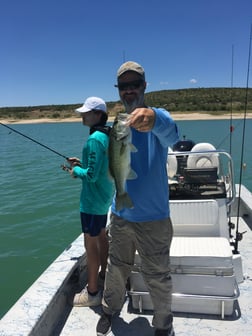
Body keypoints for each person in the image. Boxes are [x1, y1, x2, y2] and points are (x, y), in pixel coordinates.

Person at [96, 62, 179, 336]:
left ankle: (163, 323)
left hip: (154, 219)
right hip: (121, 214)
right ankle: (109, 308)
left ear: (144, 86)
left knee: (158, 275)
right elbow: (114, 162)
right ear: (118, 90)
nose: (129, 90)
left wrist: (154, 118)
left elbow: (173, 134)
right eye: (123, 86)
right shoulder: (118, 125)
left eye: (135, 85)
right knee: (116, 268)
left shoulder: (157, 117)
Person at [66, 96, 115, 307]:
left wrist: (76, 170)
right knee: (102, 236)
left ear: (97, 115)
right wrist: (82, 162)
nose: (82, 116)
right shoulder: (106, 135)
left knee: (90, 243)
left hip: (92, 201)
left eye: (86, 112)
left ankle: (92, 292)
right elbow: (99, 165)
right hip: (103, 198)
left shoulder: (95, 138)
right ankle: (103, 273)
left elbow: (92, 175)